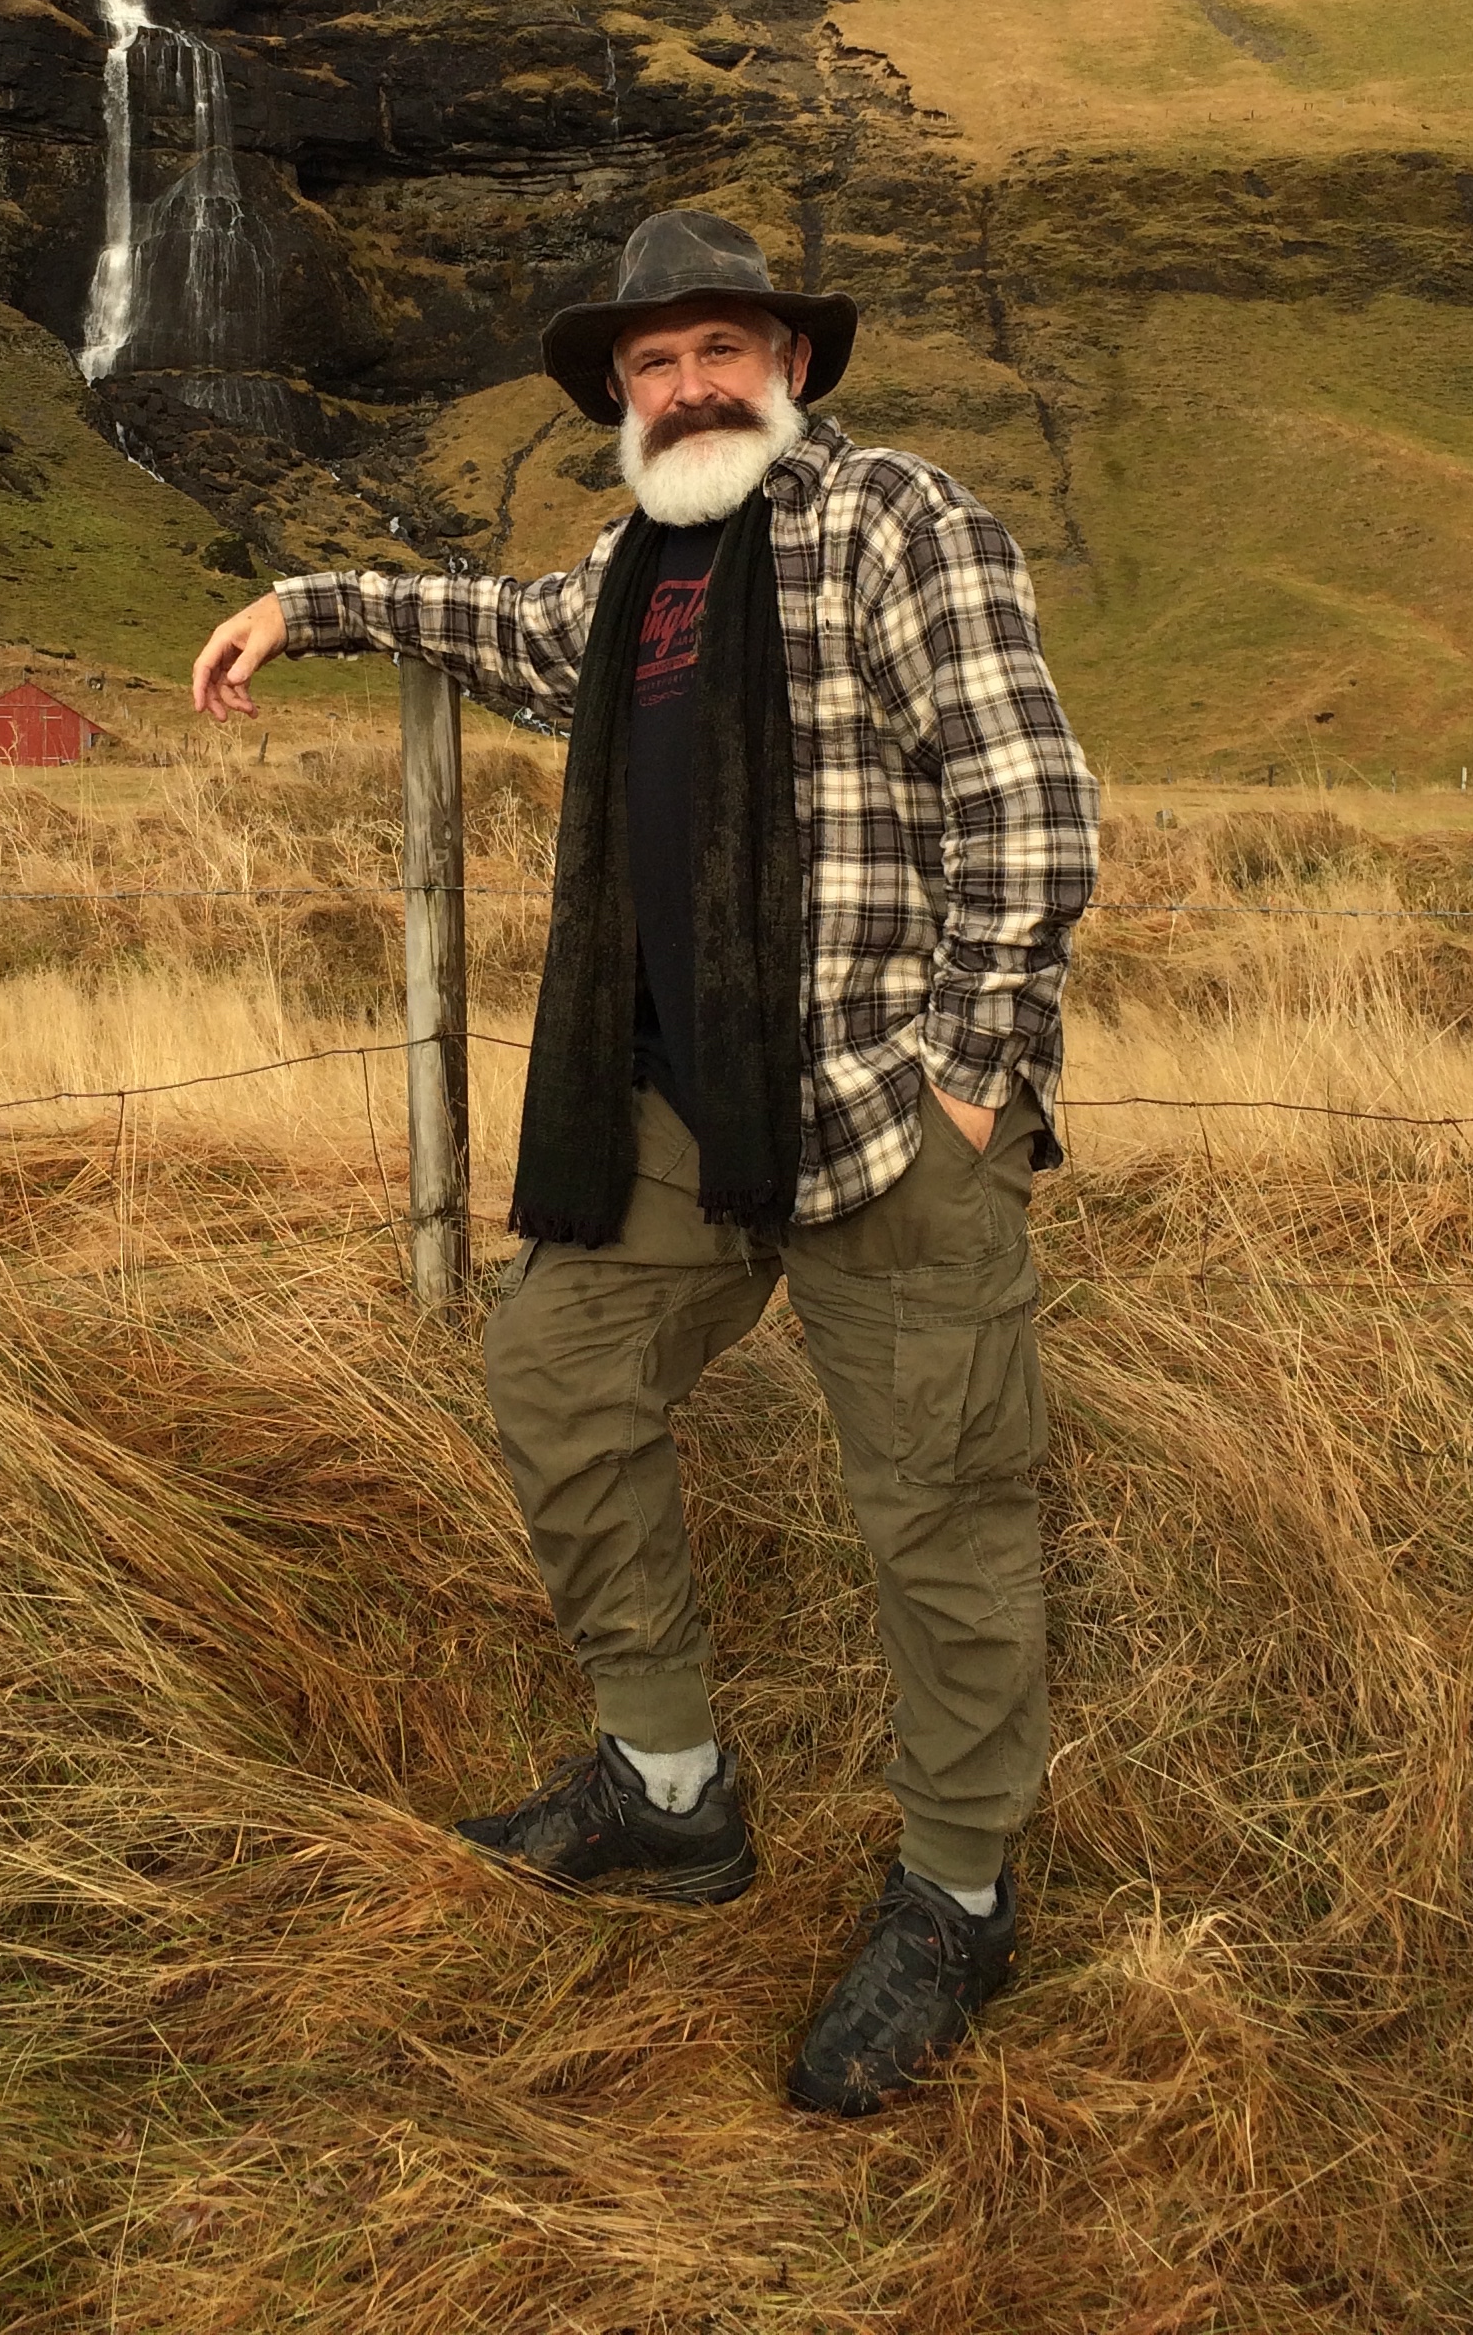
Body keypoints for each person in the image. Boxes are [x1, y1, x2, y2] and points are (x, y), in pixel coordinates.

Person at [190, 207, 1099, 2116]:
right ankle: (672, 1788)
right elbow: (505, 630)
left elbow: (1026, 804)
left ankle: (957, 1894)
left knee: (939, 1501)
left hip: (887, 1104)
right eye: (653, 363)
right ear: (619, 395)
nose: (689, 388)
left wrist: (966, 1080)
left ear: (791, 364)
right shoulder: (634, 572)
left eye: (720, 350)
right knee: (556, 1367)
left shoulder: (892, 522)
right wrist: (311, 603)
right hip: (684, 1100)